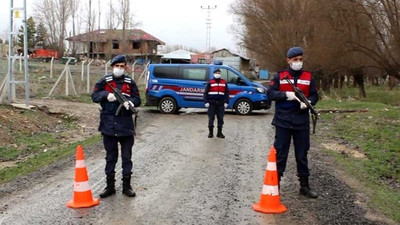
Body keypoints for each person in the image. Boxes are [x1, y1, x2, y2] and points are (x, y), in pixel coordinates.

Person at [267, 47, 319, 198]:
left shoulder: (309, 77)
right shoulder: (280, 76)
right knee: (281, 154)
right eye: (295, 59)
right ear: (288, 60)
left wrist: (309, 102)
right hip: (283, 121)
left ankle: (304, 186)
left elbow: (315, 96)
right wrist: (285, 95)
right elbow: (270, 93)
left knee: (302, 154)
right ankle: (274, 186)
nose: (298, 62)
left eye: (300, 59)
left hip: (301, 121)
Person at [91, 55, 141, 198]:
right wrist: (106, 95)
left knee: (127, 157)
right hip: (108, 125)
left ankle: (127, 186)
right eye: (117, 66)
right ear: (112, 66)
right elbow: (94, 96)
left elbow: (138, 99)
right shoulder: (104, 81)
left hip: (126, 125)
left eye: (122, 66)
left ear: (125, 68)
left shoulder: (130, 82)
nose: (119, 69)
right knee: (110, 157)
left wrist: (130, 102)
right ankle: (110, 187)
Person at [204, 69, 230, 138]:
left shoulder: (223, 82)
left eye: (219, 73)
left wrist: (227, 102)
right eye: (216, 73)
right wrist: (206, 101)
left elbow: (227, 93)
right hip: (212, 103)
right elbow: (205, 93)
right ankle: (210, 133)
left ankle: (219, 133)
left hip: (221, 103)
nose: (218, 74)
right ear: (213, 74)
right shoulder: (210, 82)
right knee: (211, 118)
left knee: (220, 118)